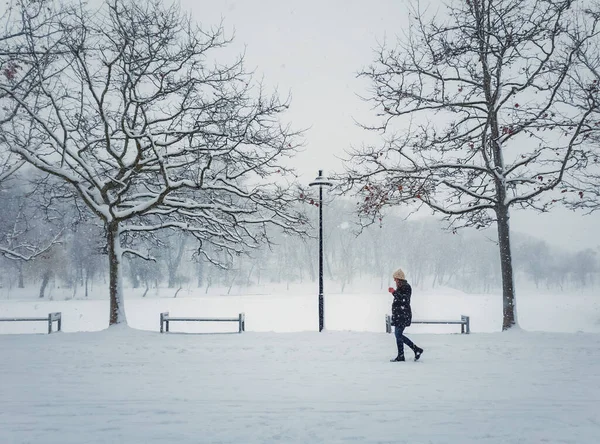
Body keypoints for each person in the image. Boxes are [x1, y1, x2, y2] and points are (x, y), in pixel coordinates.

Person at [388, 268, 423, 362]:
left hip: (403, 315)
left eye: (395, 278)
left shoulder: (406, 287)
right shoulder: (401, 287)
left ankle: (413, 350)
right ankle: (404, 354)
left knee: (398, 335)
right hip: (399, 315)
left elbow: (404, 300)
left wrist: (394, 292)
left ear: (399, 279)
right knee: (398, 335)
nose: (394, 280)